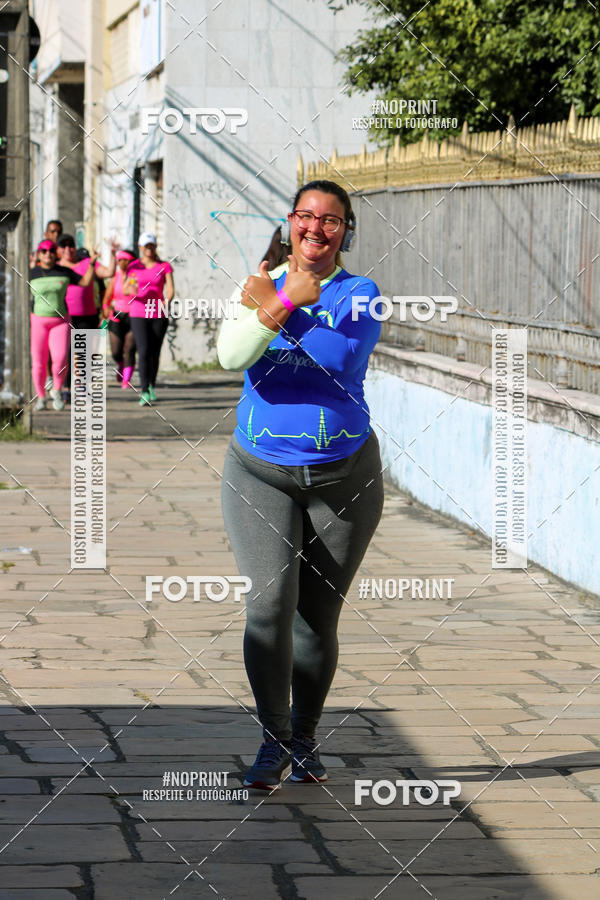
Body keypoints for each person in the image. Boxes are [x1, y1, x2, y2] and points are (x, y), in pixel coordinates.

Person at [217, 180, 384, 790]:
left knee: (316, 618)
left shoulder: (362, 294)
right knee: (268, 607)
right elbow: (232, 355)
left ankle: (305, 739)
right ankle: (273, 740)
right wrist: (282, 298)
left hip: (344, 478)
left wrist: (274, 307)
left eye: (331, 220)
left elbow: (337, 360)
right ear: (290, 222)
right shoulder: (259, 284)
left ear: (345, 232)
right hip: (259, 470)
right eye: (305, 216)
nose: (316, 227)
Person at [30, 239, 98, 410]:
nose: (48, 254)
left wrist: (92, 263)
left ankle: (58, 390)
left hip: (60, 321)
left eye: (51, 251)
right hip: (38, 321)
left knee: (60, 358)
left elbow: (85, 282)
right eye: (44, 251)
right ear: (39, 254)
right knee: (39, 361)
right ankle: (41, 397)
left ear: (56, 254)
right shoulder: (31, 273)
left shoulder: (64, 271)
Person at [123, 232, 174, 406]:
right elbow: (126, 288)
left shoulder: (164, 266)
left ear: (155, 246)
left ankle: (151, 384)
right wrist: (132, 290)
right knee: (143, 350)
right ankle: (144, 390)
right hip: (138, 313)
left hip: (158, 314)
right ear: (140, 247)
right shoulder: (134, 267)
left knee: (154, 352)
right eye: (146, 246)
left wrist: (166, 301)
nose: (149, 249)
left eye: (151, 245)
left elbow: (170, 289)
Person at [102, 249, 137, 388]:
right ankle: (121, 364)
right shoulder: (115, 277)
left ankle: (126, 380)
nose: (121, 262)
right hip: (116, 316)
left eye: (124, 260)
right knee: (116, 352)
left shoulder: (136, 276)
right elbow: (107, 298)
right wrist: (106, 309)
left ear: (131, 261)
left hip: (134, 316)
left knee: (129, 349)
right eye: (119, 260)